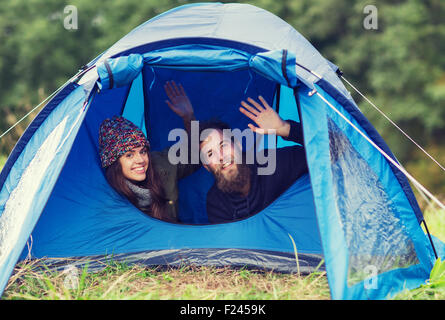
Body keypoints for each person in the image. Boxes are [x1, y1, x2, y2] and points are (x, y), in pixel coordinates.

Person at [98, 81, 198, 222]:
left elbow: (195, 155)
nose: (140, 160)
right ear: (113, 162)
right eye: (129, 155)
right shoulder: (108, 198)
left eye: (143, 151)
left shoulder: (160, 165)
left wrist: (189, 118)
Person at [199, 96, 308, 223]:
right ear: (207, 167)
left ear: (238, 145)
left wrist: (286, 128)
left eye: (223, 145)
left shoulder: (273, 163)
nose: (221, 156)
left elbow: (331, 149)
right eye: (210, 153)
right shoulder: (216, 202)